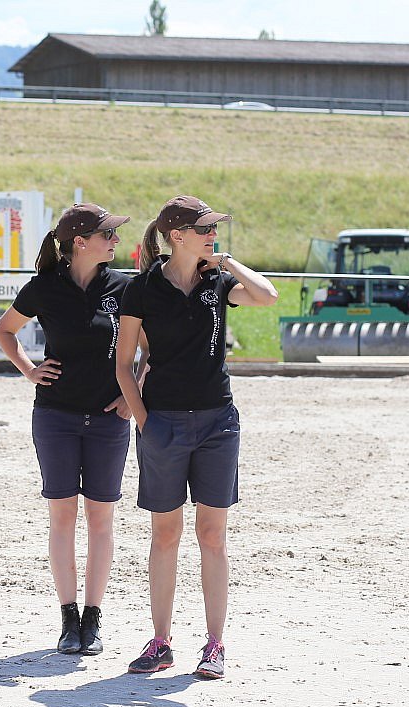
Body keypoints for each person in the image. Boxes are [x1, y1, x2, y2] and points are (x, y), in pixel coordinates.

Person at [115, 195, 278, 680]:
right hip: (163, 422)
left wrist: (226, 261)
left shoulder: (218, 282)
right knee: (165, 535)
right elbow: (124, 365)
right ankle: (161, 641)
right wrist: (145, 422)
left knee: (212, 535)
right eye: (204, 229)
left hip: (217, 423)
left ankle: (214, 644)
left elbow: (267, 296)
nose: (212, 235)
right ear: (177, 236)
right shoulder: (142, 289)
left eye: (214, 228)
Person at [0, 203, 133, 656]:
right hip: (56, 417)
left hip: (109, 420)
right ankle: (68, 617)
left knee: (101, 518)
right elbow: (5, 331)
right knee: (63, 516)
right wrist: (29, 370)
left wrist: (134, 393)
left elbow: (152, 347)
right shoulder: (44, 287)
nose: (115, 240)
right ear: (80, 242)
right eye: (107, 234)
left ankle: (93, 617)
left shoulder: (124, 287)